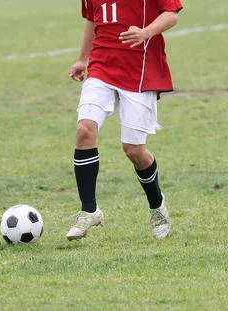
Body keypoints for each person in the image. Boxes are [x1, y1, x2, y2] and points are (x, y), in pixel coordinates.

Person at [66, 0, 183, 240]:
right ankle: (89, 209)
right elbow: (93, 20)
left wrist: (145, 32)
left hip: (139, 70)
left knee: (134, 150)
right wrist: (82, 59)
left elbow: (171, 15)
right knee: (84, 130)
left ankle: (156, 204)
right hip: (101, 67)